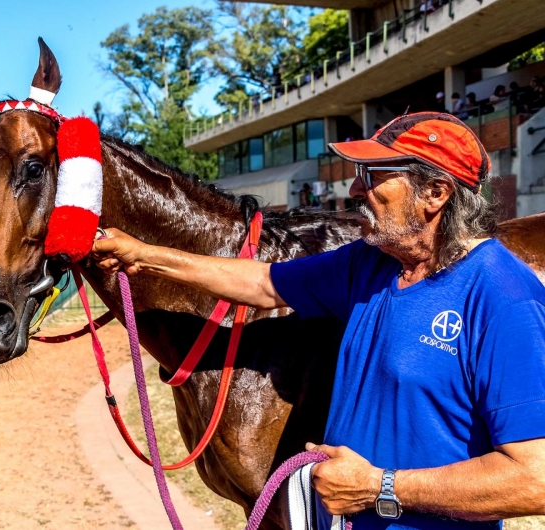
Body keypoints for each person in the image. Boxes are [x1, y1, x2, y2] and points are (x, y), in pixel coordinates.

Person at [92, 112, 545, 529]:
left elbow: (534, 480)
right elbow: (263, 283)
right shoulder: (369, 265)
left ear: (435, 193)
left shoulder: (502, 298)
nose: (354, 189)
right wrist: (147, 256)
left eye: (373, 176)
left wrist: (380, 488)